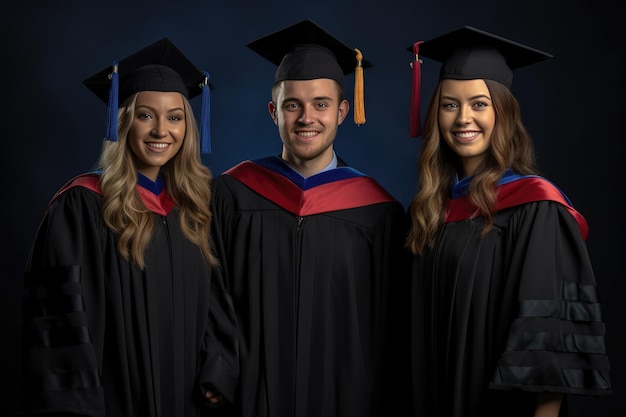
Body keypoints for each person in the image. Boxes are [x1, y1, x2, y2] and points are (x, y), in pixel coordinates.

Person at [20, 38, 238, 416]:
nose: (160, 131)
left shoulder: (197, 208)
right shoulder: (82, 205)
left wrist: (217, 375)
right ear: (122, 122)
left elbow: (217, 308)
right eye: (145, 115)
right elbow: (60, 322)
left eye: (174, 117)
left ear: (188, 127)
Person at [405, 26, 612, 417]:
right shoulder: (431, 210)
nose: (463, 117)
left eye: (479, 103)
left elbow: (549, 336)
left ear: (503, 110)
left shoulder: (536, 208)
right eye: (450, 104)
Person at [210, 19, 412, 417]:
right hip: (250, 397)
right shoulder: (231, 196)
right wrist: (219, 375)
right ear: (274, 112)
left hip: (347, 398)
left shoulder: (377, 212)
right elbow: (209, 297)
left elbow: (394, 329)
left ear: (342, 111)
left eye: (320, 104)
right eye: (292, 105)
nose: (307, 118)